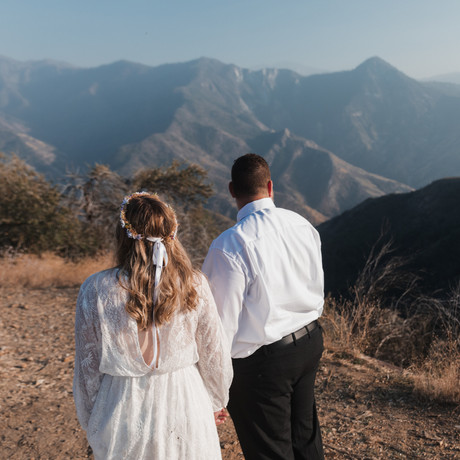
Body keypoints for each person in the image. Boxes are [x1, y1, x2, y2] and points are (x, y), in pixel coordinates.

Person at [73, 192, 232, 460]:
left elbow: (88, 364)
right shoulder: (194, 285)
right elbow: (214, 352)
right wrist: (216, 401)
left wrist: (92, 416)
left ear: (123, 234)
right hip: (185, 399)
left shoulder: (96, 289)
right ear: (171, 233)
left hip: (122, 402)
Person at [202, 154, 325, 460]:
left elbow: (220, 325)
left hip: (262, 364)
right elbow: (315, 281)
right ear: (271, 186)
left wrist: (214, 390)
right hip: (309, 342)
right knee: (305, 439)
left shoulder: (229, 245)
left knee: (270, 451)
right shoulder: (301, 224)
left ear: (232, 190)